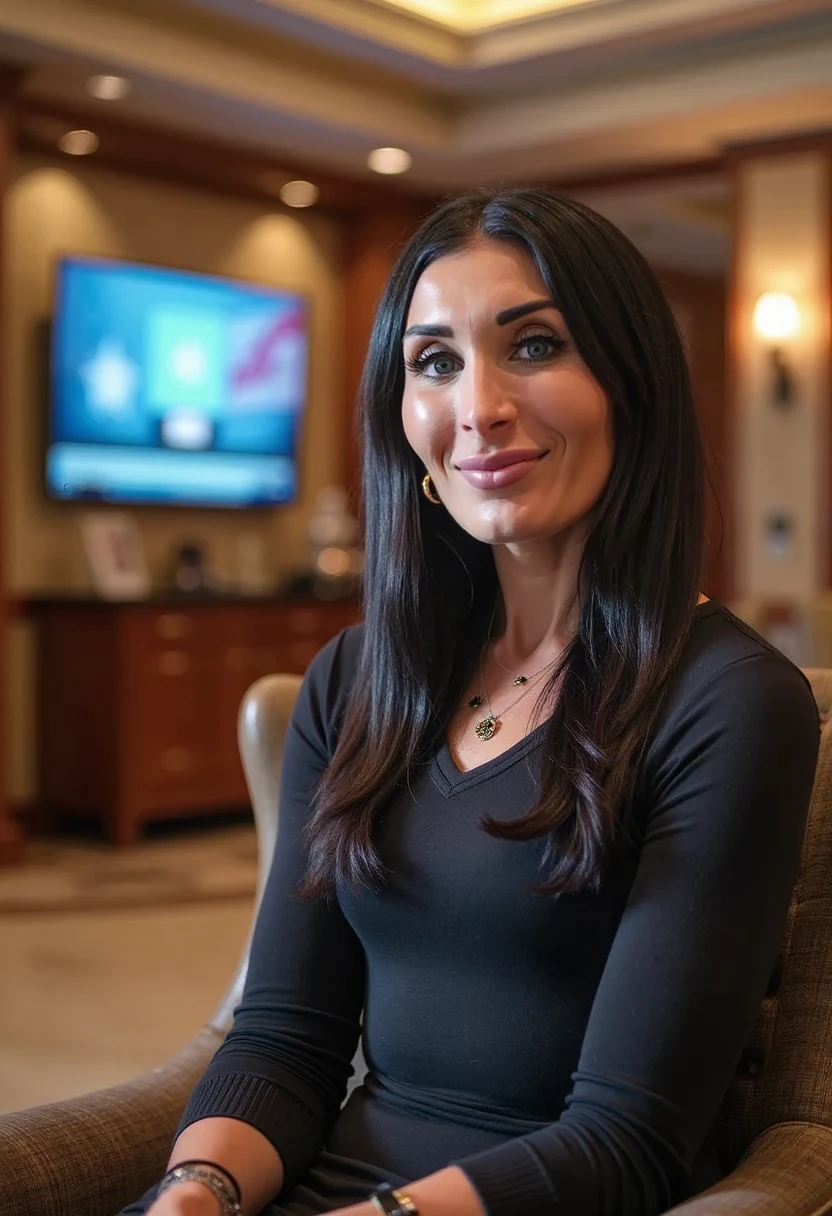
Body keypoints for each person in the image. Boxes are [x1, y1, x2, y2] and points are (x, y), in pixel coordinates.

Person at [122, 188, 820, 1216]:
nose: (477, 407)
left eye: (533, 346)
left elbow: (624, 1140)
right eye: (434, 361)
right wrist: (198, 1186)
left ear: (632, 382)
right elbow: (285, 1037)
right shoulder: (355, 680)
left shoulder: (729, 702)